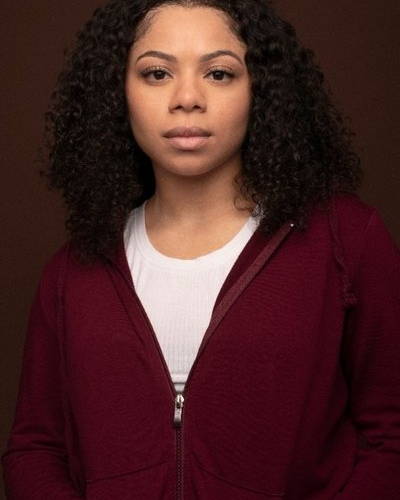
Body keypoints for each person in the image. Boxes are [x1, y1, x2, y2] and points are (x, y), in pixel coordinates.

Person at [2, 0, 400, 498]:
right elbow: (35, 450)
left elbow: (391, 438)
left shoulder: (346, 239)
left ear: (260, 90)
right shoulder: (72, 270)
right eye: (156, 73)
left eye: (218, 73)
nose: (187, 98)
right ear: (117, 92)